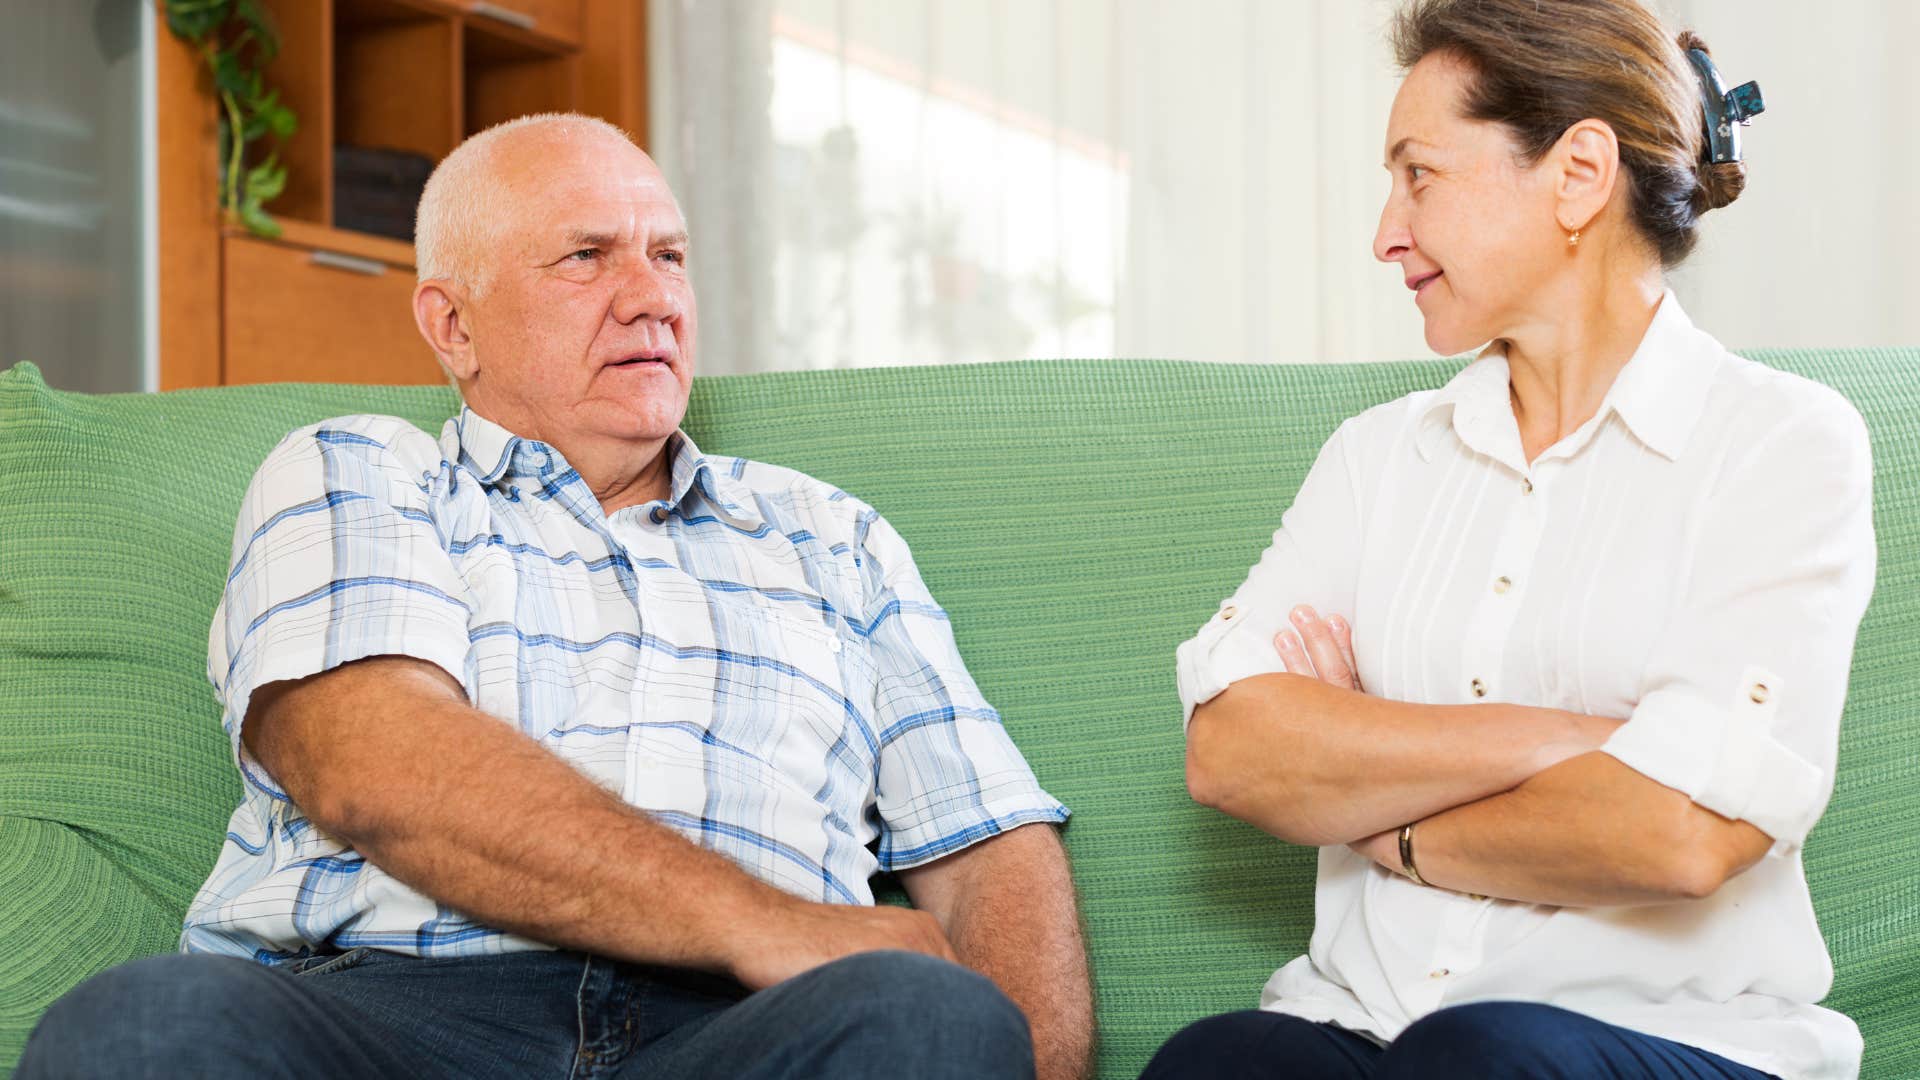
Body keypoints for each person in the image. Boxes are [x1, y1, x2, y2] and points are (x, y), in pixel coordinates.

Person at [20, 113, 1092, 1080]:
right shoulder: (359, 473)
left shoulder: (829, 534)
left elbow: (990, 850)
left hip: (740, 1034)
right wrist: (764, 923)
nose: (654, 295)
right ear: (453, 326)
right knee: (143, 1029)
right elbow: (373, 766)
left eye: (669, 255)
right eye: (587, 257)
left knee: (931, 1018)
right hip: (391, 1018)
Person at [1147, 1, 1873, 1078]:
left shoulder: (1779, 446)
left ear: (1579, 174)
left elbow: (1680, 835)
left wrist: (1376, 813)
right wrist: (1576, 739)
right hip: (1362, 1025)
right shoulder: (1376, 457)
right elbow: (1233, 750)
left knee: (1480, 1058)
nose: (1386, 233)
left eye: (1420, 175)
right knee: (1226, 1062)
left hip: (1670, 1042)